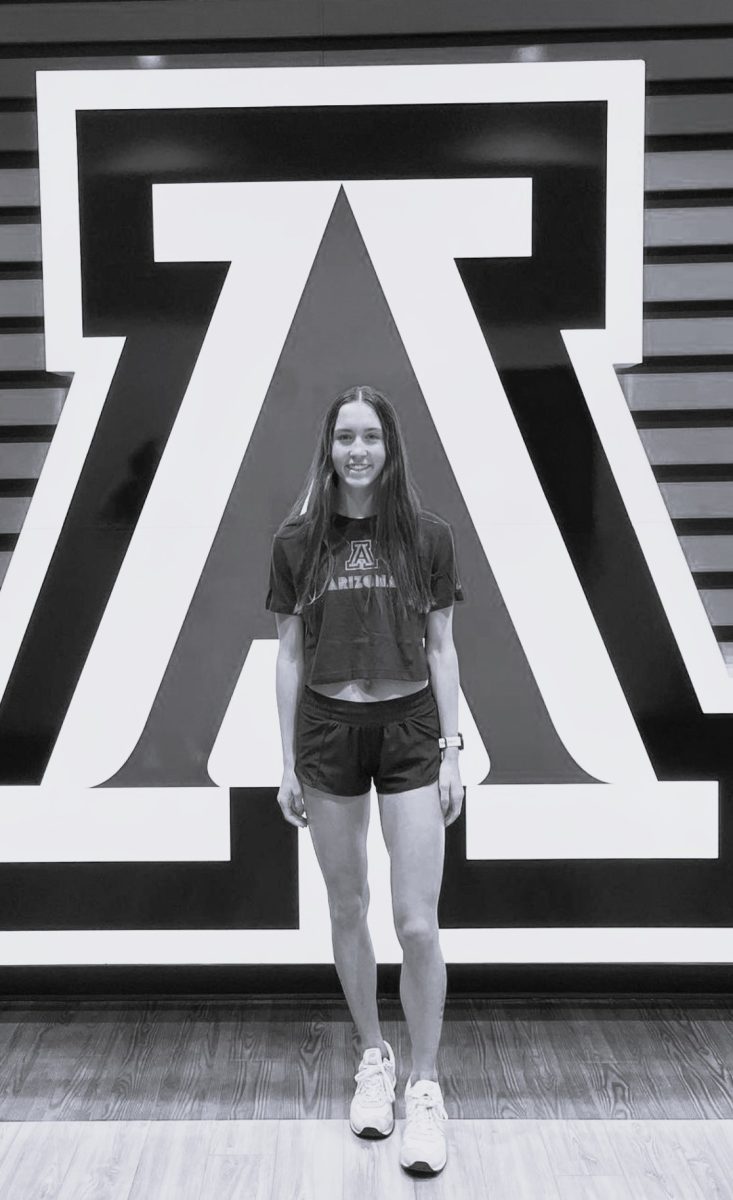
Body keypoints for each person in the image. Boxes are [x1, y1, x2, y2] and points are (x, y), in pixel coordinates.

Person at [265, 384, 465, 1176]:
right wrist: (284, 758)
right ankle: (374, 1059)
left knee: (417, 923)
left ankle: (425, 1085)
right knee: (348, 906)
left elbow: (443, 645)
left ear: (389, 447)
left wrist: (451, 749)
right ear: (328, 447)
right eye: (344, 436)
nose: (356, 450)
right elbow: (286, 654)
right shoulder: (295, 541)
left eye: (369, 437)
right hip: (325, 730)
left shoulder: (427, 535)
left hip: (412, 727)